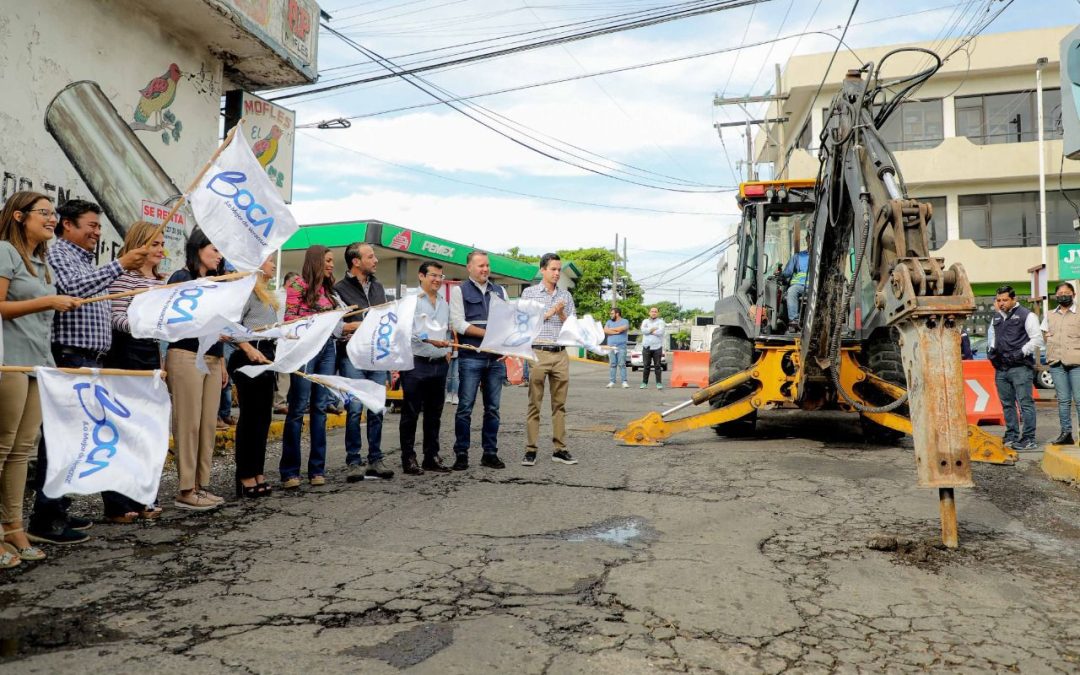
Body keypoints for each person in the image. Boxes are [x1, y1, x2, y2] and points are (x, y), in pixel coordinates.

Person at [28, 199, 149, 544]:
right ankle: (45, 518)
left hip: (92, 360)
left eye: (98, 226)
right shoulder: (58, 254)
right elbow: (72, 291)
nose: (97, 231)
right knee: (61, 441)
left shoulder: (84, 259)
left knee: (78, 441)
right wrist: (121, 265)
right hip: (70, 357)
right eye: (91, 225)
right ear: (68, 225)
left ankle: (58, 508)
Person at [0, 192, 79, 567]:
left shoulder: (41, 264)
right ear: (19, 215)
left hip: (37, 365)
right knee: (2, 449)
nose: (52, 218)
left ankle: (13, 527)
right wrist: (49, 302)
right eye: (44, 213)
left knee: (21, 452)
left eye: (53, 213)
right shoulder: (5, 252)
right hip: (8, 364)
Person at [102, 221, 167, 522]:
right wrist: (143, 326)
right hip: (125, 352)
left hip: (152, 353)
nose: (160, 249)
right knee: (124, 426)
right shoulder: (122, 279)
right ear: (139, 244)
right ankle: (117, 503)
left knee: (147, 429)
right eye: (153, 243)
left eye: (162, 244)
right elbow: (116, 318)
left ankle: (145, 497)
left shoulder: (164, 282)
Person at [166, 228, 227, 510]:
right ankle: (185, 488)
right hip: (186, 355)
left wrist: (223, 361)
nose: (219, 255)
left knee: (207, 426)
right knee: (188, 424)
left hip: (214, 358)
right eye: (214, 249)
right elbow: (174, 320)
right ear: (198, 249)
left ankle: (202, 485)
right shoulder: (181, 278)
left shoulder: (218, 282)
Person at [333, 243, 394, 481]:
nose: (376, 260)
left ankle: (375, 460)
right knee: (355, 408)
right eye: (371, 256)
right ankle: (353, 461)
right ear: (355, 262)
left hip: (377, 356)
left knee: (377, 407)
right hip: (352, 356)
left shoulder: (378, 287)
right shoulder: (339, 289)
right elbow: (340, 324)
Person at [281, 245, 339, 488]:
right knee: (297, 408)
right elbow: (289, 319)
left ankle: (317, 469)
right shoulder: (296, 285)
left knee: (320, 408)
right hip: (305, 350)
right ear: (316, 261)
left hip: (327, 349)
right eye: (327, 260)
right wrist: (316, 320)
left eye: (332, 261)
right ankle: (290, 472)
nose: (331, 265)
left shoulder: (329, 290)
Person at [449, 250, 507, 470]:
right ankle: (461, 453)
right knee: (465, 407)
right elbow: (458, 324)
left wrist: (508, 345)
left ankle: (489, 453)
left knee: (493, 408)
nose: (485, 269)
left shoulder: (500, 291)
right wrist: (489, 335)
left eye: (487, 265)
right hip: (470, 358)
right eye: (481, 265)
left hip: (495, 360)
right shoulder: (459, 291)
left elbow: (508, 321)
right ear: (469, 268)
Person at [228, 256, 279, 498]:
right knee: (249, 418)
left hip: (267, 354)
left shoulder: (267, 294)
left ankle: (258, 471)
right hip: (249, 356)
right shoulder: (246, 290)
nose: (274, 264)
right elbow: (231, 326)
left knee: (263, 418)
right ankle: (245, 474)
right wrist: (248, 349)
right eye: (269, 260)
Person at [520, 253, 577, 466]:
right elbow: (525, 321)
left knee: (559, 404)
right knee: (535, 402)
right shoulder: (530, 293)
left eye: (559, 269)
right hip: (538, 352)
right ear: (542, 270)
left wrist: (561, 314)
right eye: (553, 269)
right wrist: (552, 311)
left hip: (560, 353)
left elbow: (572, 326)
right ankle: (531, 449)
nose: (556, 273)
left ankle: (560, 449)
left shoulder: (566, 296)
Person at [399, 261, 453, 475]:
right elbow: (406, 330)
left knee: (434, 414)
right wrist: (429, 340)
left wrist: (447, 352)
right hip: (416, 363)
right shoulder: (411, 301)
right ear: (421, 276)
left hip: (439, 364)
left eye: (440, 276)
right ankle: (408, 458)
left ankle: (431, 456)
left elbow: (447, 331)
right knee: (410, 413)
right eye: (433, 275)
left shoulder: (444, 303)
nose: (437, 280)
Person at [987, 285, 1043, 451]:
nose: (1002, 303)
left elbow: (1037, 340)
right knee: (1007, 404)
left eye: (1005, 300)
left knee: (1025, 403)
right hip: (1001, 368)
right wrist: (991, 353)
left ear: (1014, 299)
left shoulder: (1027, 315)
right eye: (999, 300)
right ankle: (1011, 435)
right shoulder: (997, 317)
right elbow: (993, 338)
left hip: (1020, 368)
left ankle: (1029, 438)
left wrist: (1021, 353)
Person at [1041, 282, 1079, 446]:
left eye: (1067, 292)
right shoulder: (1049, 314)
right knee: (1063, 400)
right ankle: (1066, 433)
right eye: (1060, 293)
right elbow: (1044, 333)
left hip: (1077, 362)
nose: (1063, 295)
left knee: (1079, 399)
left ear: (1073, 295)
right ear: (1056, 296)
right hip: (1056, 362)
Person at [273, 271, 296, 415]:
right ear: (288, 283)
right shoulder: (277, 296)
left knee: (291, 372)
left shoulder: (293, 297)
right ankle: (279, 403)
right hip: (279, 338)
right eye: (295, 283)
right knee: (283, 373)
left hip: (291, 338)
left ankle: (286, 401)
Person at [782, 248, 809, 332]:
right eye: (810, 238)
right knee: (792, 291)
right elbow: (788, 272)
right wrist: (781, 274)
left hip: (817, 287)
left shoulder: (823, 256)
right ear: (807, 239)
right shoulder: (798, 256)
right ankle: (794, 321)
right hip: (800, 286)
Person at [639, 306, 666, 389]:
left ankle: (659, 383)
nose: (653, 313)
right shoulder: (645, 321)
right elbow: (643, 331)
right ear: (649, 313)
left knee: (657, 366)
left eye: (655, 311)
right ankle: (644, 383)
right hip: (646, 346)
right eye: (652, 311)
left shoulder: (661, 322)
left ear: (658, 313)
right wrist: (653, 329)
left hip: (657, 347)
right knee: (646, 366)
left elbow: (660, 332)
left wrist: (649, 331)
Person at [604, 307, 630, 388]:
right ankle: (612, 381)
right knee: (612, 364)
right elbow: (605, 330)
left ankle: (624, 382)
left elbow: (623, 328)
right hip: (611, 347)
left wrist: (611, 329)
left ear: (617, 314)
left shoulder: (625, 321)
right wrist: (616, 332)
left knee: (622, 364)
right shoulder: (609, 321)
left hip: (621, 346)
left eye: (612, 313)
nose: (610, 315)